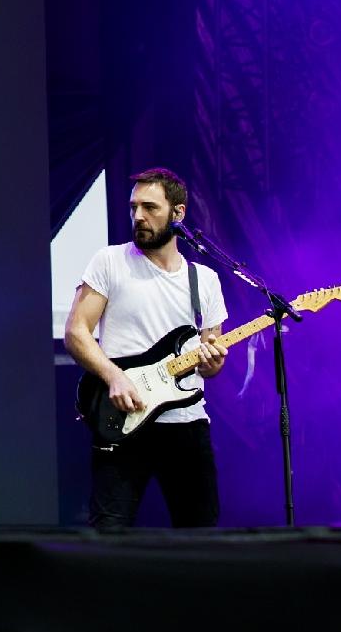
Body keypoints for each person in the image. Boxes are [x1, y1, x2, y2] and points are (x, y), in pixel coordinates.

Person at [65, 166, 229, 528]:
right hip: (122, 420)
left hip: (185, 423)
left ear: (178, 213)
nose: (138, 216)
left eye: (150, 207)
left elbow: (209, 363)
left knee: (200, 536)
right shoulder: (110, 261)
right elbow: (76, 331)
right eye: (133, 207)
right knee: (109, 529)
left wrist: (212, 361)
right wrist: (114, 376)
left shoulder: (205, 280)